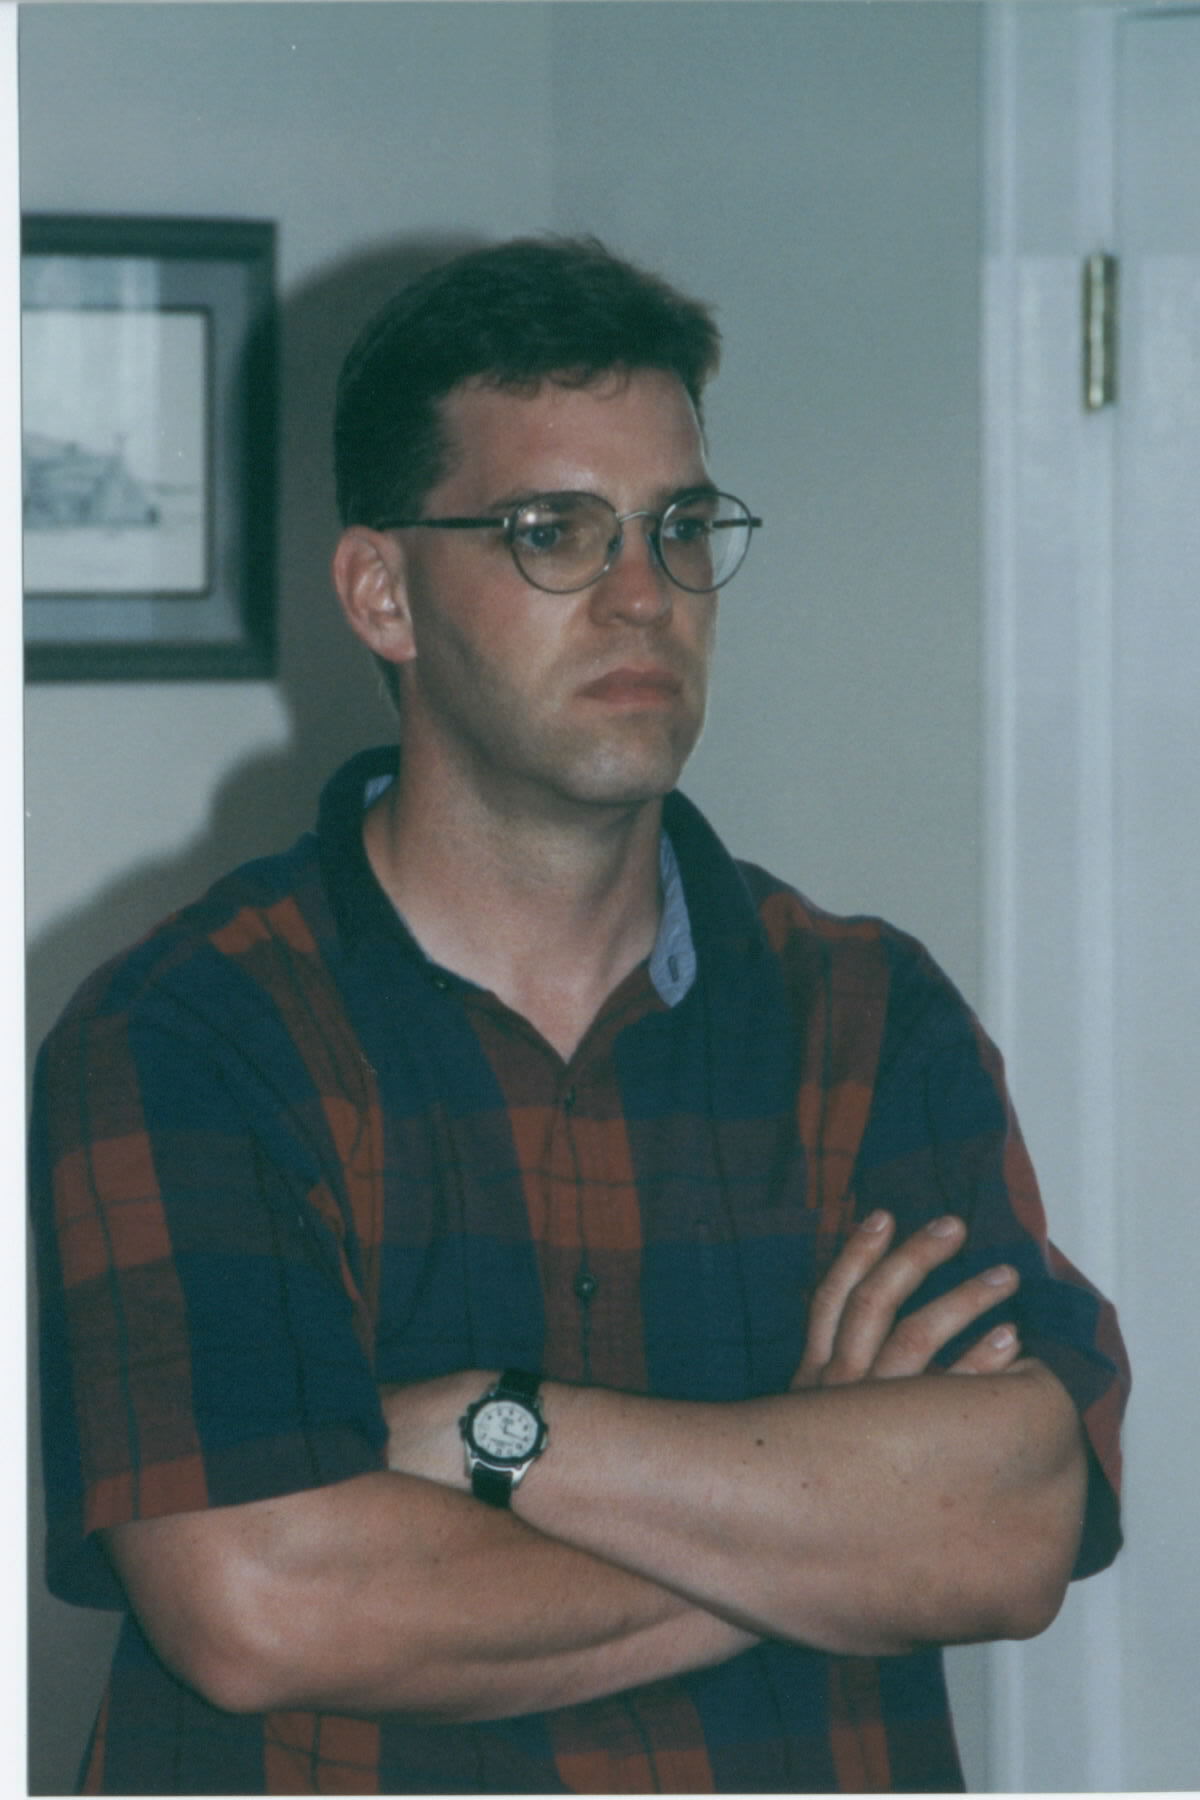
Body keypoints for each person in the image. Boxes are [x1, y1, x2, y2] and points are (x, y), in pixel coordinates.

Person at [31, 236, 1129, 1795]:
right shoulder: (192, 1034)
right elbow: (263, 1605)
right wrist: (820, 1512)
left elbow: (1016, 1524)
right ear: (384, 594)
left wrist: (503, 1429)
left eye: (681, 527)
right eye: (553, 531)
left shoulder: (871, 1014)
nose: (643, 594)